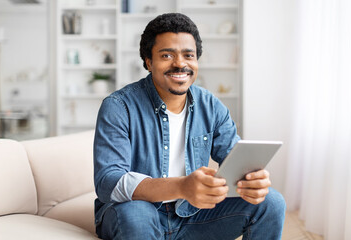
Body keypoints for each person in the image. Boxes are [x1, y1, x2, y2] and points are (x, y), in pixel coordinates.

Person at [93, 13, 286, 240]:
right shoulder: (118, 106)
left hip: (193, 215)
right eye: (166, 55)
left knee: (271, 202)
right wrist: (182, 187)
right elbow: (109, 182)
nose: (180, 64)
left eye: (188, 55)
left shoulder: (210, 105)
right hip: (136, 212)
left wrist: (253, 181)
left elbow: (235, 161)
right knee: (136, 213)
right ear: (148, 62)